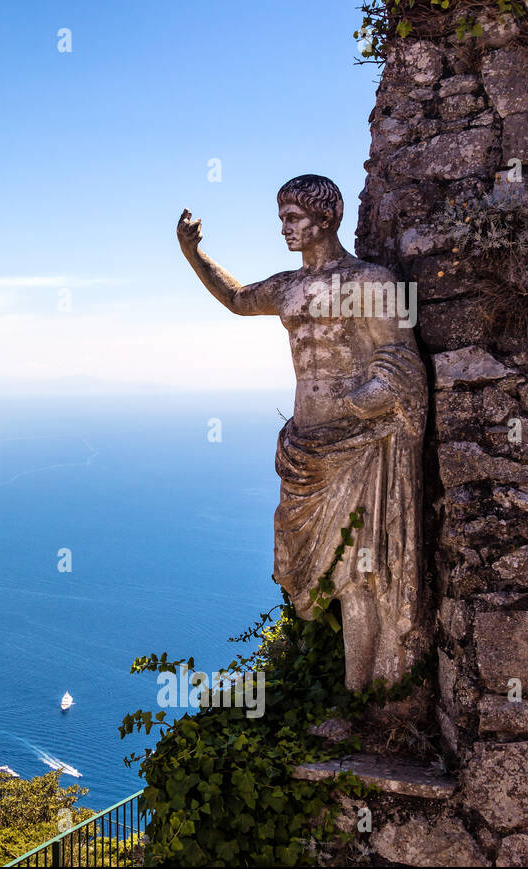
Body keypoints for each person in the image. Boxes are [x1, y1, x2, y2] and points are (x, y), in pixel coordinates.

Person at [176, 174, 426, 691]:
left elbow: (399, 359)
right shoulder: (289, 287)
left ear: (325, 217)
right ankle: (347, 691)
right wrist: (193, 254)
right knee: (301, 565)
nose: (284, 229)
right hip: (304, 448)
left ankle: (370, 695)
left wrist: (362, 401)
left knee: (359, 573)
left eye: (293, 218)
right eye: (282, 219)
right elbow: (239, 298)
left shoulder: (369, 282)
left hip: (357, 445)